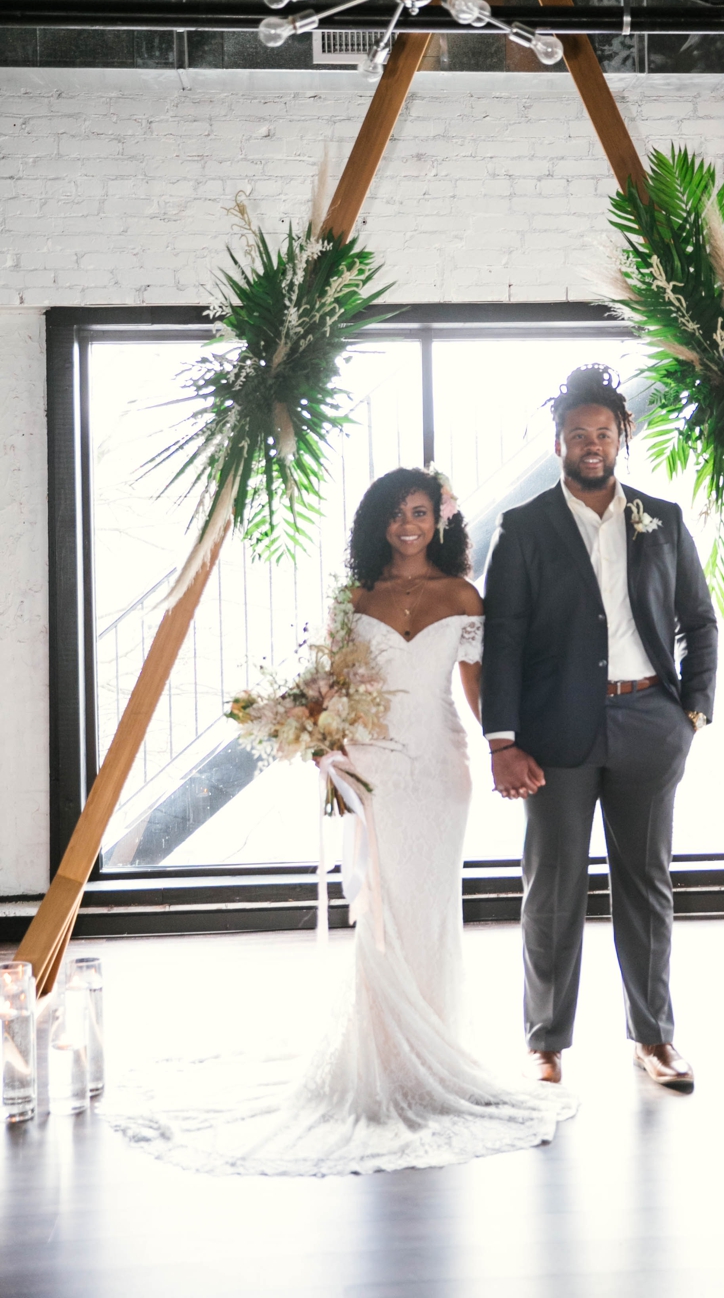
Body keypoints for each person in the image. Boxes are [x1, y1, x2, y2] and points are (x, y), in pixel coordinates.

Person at [110, 468, 577, 1175]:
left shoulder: (463, 596)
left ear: (438, 519)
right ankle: (385, 1060)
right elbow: (333, 678)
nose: (408, 524)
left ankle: (435, 1056)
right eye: (395, 514)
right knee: (383, 908)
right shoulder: (355, 598)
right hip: (374, 769)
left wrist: (504, 750)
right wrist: (316, 733)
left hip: (439, 769)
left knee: (429, 908)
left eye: (420, 511)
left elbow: (476, 688)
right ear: (378, 524)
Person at [482, 365, 717, 1090]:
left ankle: (655, 1037)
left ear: (623, 437)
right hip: (556, 732)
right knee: (551, 886)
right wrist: (503, 740)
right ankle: (545, 1041)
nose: (592, 445)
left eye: (604, 433)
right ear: (558, 443)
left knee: (647, 882)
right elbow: (504, 642)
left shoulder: (663, 519)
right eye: (579, 434)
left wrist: (692, 711)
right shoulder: (523, 529)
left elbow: (699, 620)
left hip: (650, 721)